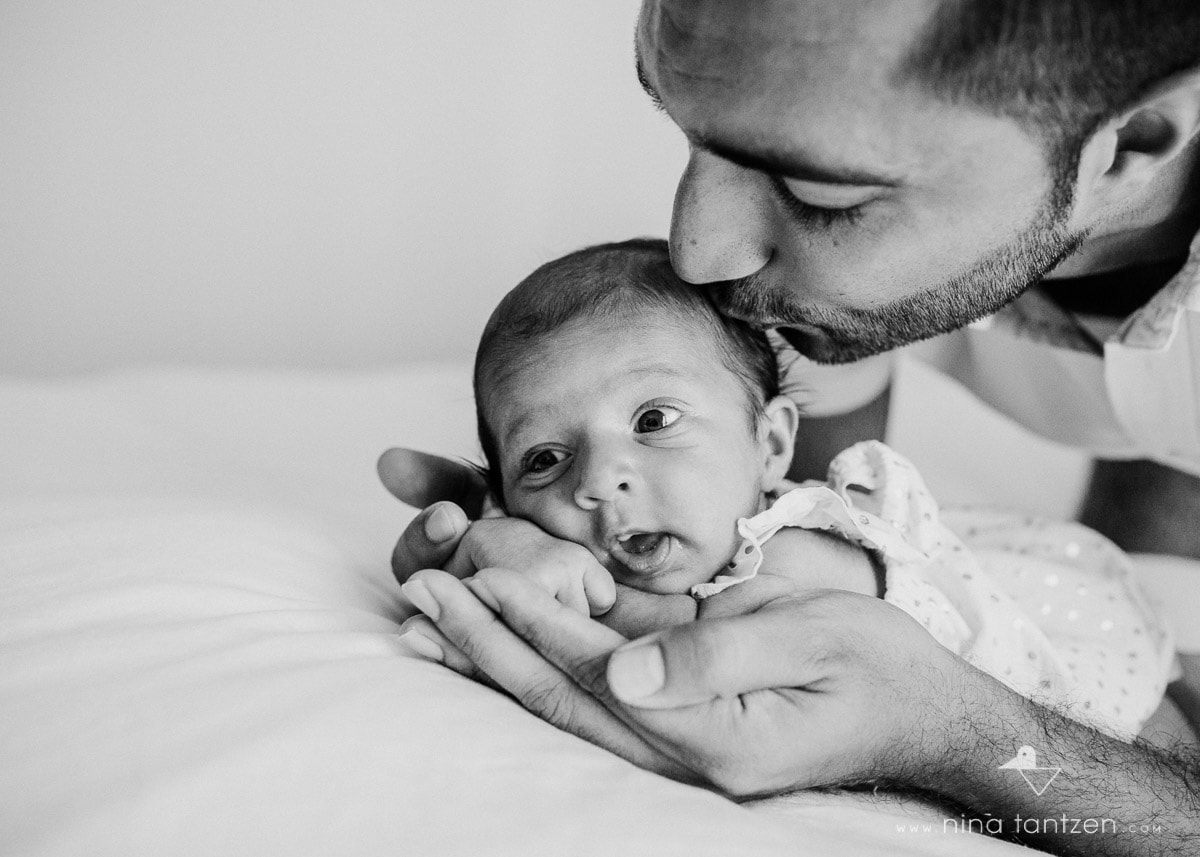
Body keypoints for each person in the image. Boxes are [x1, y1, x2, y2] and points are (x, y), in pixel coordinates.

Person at [382, 2, 1200, 853]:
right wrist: (542, 545)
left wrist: (965, 737)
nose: (698, 252)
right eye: (687, 134)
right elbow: (766, 527)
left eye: (821, 194)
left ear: (1135, 141)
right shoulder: (819, 290)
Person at [404, 237, 1175, 741]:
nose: (600, 480)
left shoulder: (801, 550)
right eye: (543, 459)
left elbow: (673, 639)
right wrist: (514, 539)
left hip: (1090, 684)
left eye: (654, 417)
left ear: (771, 444)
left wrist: (511, 566)